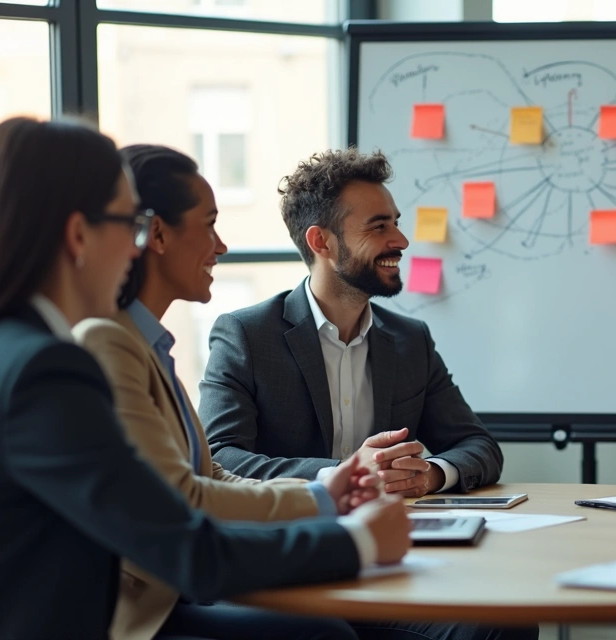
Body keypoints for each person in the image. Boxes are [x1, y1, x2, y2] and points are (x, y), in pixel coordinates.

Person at [0, 117, 410, 640]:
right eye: (128, 226)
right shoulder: (44, 372)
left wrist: (326, 501)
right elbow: (186, 548)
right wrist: (358, 543)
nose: (135, 250)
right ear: (79, 234)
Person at [73, 145, 390, 640]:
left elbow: (210, 472)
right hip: (140, 617)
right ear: (157, 233)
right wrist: (329, 512)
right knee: (324, 635)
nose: (220, 246)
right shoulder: (110, 341)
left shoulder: (147, 344)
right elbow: (186, 496)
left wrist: (322, 492)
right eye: (209, 224)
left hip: (178, 594)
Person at [199, 148, 503, 499]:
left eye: (396, 223)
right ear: (321, 242)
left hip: (396, 536)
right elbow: (217, 457)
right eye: (378, 227)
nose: (401, 241)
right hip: (290, 535)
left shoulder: (411, 341)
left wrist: (428, 475)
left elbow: (479, 446)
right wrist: (341, 475)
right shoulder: (246, 336)